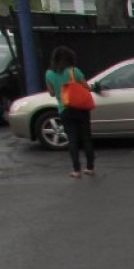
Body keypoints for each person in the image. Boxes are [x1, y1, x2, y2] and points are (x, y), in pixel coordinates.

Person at [45, 46, 95, 179]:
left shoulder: (49, 74)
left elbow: (51, 93)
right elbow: (86, 87)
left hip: (64, 109)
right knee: (86, 138)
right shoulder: (74, 71)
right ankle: (90, 168)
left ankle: (76, 171)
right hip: (81, 108)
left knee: (72, 140)